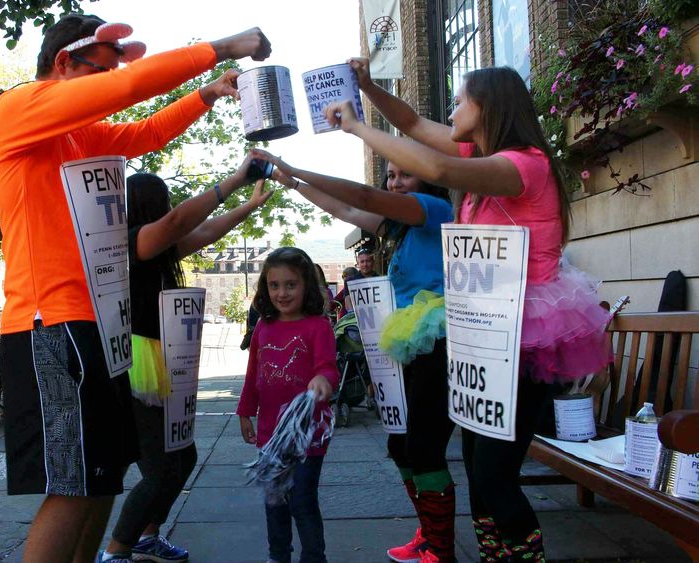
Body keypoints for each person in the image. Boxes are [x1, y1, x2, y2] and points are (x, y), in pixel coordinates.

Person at [0, 13, 272, 562]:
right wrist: (222, 48)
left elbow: (144, 134)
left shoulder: (75, 133)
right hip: (51, 324)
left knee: (100, 481)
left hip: (94, 325)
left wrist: (206, 95)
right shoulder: (18, 107)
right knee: (71, 487)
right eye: (102, 69)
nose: (111, 80)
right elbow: (128, 90)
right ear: (64, 63)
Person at [326, 59, 612, 561]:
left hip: (523, 333)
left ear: (489, 107)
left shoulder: (523, 164)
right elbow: (413, 125)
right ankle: (494, 554)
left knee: (494, 474)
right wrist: (368, 87)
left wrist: (356, 127)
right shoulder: (484, 157)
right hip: (483, 329)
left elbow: (434, 169)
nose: (452, 108)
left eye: (460, 100)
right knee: (480, 464)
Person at [255, 148, 457, 562]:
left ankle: (441, 548)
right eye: (390, 175)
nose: (394, 182)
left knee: (423, 447)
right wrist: (293, 185)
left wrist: (296, 168)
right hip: (410, 341)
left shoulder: (434, 210)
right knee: (401, 448)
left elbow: (362, 197)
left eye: (405, 174)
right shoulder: (402, 229)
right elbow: (347, 209)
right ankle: (430, 534)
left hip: (437, 339)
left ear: (427, 179)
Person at [99, 161, 273, 563]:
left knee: (185, 456)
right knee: (160, 470)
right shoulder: (133, 242)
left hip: (161, 357)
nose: (171, 209)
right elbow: (180, 220)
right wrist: (233, 181)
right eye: (164, 203)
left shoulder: (158, 249)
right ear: (152, 206)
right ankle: (115, 551)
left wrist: (249, 206)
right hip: (139, 364)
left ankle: (146, 536)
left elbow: (207, 229)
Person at [237, 247, 339, 563]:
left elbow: (328, 367)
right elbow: (253, 374)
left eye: (291, 284)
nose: (282, 293)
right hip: (270, 435)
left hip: (308, 435)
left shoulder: (318, 326)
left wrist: (323, 379)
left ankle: (313, 557)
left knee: (302, 501)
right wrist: (244, 411)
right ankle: (278, 555)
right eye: (274, 285)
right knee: (274, 501)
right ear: (265, 288)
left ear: (306, 285)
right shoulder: (263, 328)